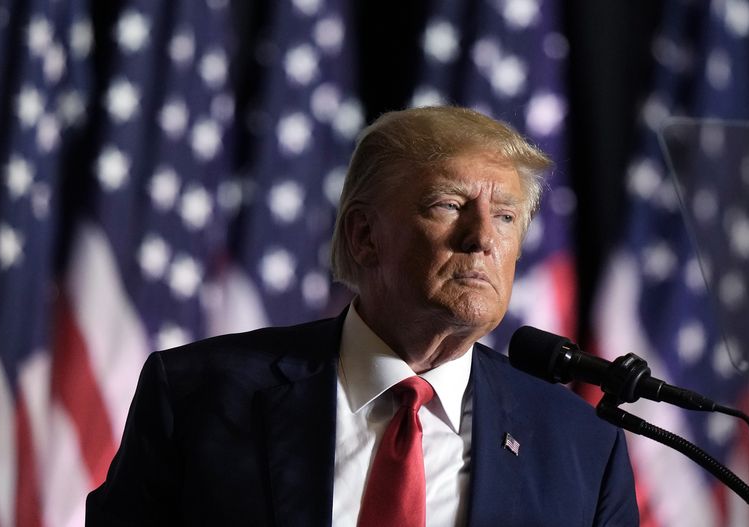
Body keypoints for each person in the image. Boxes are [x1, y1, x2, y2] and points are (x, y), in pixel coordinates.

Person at [86, 106, 639, 526]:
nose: (481, 239)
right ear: (364, 235)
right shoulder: (197, 395)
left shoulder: (580, 444)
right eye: (448, 205)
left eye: (505, 216)